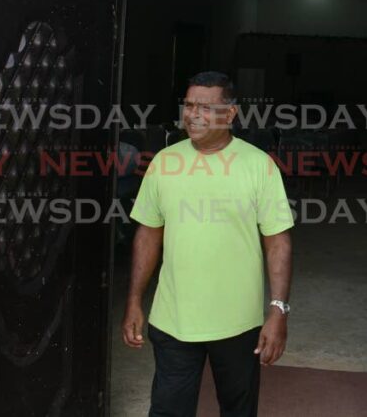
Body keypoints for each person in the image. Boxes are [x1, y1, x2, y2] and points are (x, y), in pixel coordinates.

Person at [124, 71, 294, 417]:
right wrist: (134, 300)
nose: (193, 114)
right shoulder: (164, 163)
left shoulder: (259, 166)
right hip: (173, 320)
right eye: (188, 105)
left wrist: (277, 310)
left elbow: (277, 242)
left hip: (238, 324)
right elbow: (148, 234)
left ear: (230, 114)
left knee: (238, 410)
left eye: (205, 106)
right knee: (168, 410)